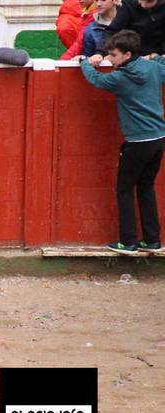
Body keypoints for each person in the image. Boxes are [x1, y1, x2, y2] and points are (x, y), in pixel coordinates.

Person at [80, 30, 165, 254]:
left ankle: (128, 242)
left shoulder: (121, 78)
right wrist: (156, 58)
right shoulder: (153, 68)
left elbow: (96, 79)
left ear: (127, 55)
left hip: (137, 141)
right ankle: (153, 240)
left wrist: (85, 62)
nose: (110, 59)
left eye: (114, 55)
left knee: (125, 189)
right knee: (146, 187)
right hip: (158, 138)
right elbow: (161, 67)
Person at [89, 0, 165, 65]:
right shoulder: (129, 5)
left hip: (159, 60)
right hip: (133, 60)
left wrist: (156, 57)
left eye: (148, 2)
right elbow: (111, 31)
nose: (142, 4)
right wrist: (100, 53)